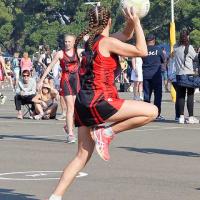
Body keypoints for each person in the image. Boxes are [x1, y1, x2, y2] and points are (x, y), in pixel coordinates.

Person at [46, 6, 158, 200]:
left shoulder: (92, 41)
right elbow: (142, 50)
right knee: (152, 111)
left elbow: (125, 34)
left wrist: (131, 21)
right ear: (109, 22)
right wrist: (138, 23)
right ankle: (106, 133)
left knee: (81, 156)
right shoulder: (107, 43)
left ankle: (55, 197)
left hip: (83, 102)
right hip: (100, 100)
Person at [38, 34, 83, 143]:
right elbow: (50, 67)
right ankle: (71, 134)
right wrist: (41, 80)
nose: (67, 43)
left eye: (69, 42)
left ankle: (68, 127)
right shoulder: (60, 53)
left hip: (76, 80)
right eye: (65, 41)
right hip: (66, 80)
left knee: (76, 109)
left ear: (74, 42)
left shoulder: (78, 51)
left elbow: (93, 48)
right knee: (70, 108)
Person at [174, 30, 199, 124]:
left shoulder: (175, 47)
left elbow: (177, 43)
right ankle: (191, 117)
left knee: (180, 96)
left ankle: (181, 117)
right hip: (189, 74)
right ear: (187, 37)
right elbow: (196, 58)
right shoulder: (189, 47)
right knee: (190, 95)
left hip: (179, 74)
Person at [142, 34, 165, 120]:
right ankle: (157, 114)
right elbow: (163, 60)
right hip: (156, 75)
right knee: (158, 95)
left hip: (146, 75)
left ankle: (146, 114)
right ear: (154, 40)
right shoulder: (158, 49)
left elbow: (141, 59)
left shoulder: (143, 49)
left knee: (146, 95)